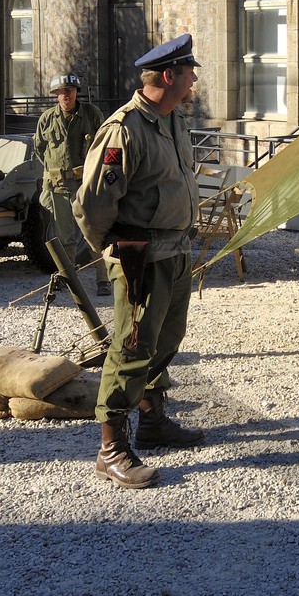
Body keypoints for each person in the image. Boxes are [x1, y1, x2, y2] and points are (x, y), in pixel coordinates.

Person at [74, 33, 206, 489]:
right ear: (168, 76)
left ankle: (152, 419)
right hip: (140, 257)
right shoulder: (123, 129)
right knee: (132, 347)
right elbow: (92, 205)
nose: (192, 81)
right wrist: (112, 253)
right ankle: (111, 448)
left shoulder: (173, 121)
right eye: (189, 73)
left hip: (176, 250)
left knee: (167, 337)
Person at [33, 73, 108, 293]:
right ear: (56, 95)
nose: (67, 95)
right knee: (63, 234)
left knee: (92, 231)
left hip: (85, 184)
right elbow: (40, 149)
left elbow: (103, 144)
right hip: (58, 186)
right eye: (62, 92)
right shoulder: (46, 119)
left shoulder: (91, 115)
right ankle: (68, 276)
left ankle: (102, 279)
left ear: (77, 92)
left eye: (71, 91)